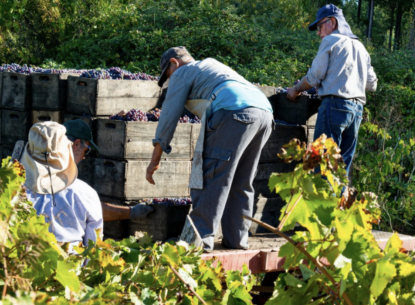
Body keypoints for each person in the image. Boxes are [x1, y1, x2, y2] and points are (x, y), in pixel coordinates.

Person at [147, 46, 274, 252]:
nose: (170, 80)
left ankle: (199, 240)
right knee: (241, 180)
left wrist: (155, 160)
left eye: (168, 75)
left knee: (211, 175)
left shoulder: (182, 72)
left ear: (174, 63)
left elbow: (168, 116)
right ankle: (237, 240)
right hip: (264, 113)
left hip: (234, 112)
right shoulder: (212, 65)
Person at [286, 4, 377, 177]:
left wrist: (296, 89)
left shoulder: (330, 41)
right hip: (356, 112)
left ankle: (319, 202)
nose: (319, 33)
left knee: (323, 166)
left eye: (320, 27)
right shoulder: (361, 48)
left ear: (332, 22)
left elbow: (315, 75)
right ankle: (336, 203)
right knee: (341, 170)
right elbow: (372, 85)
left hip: (334, 106)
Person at [21, 122, 103, 249]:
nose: (84, 157)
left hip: (19, 266)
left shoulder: (12, 191)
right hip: (71, 266)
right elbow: (94, 250)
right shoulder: (85, 193)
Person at [62, 119, 154, 221]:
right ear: (77, 144)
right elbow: (91, 210)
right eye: (86, 150)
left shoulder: (46, 164)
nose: (84, 156)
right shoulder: (64, 179)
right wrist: (132, 212)